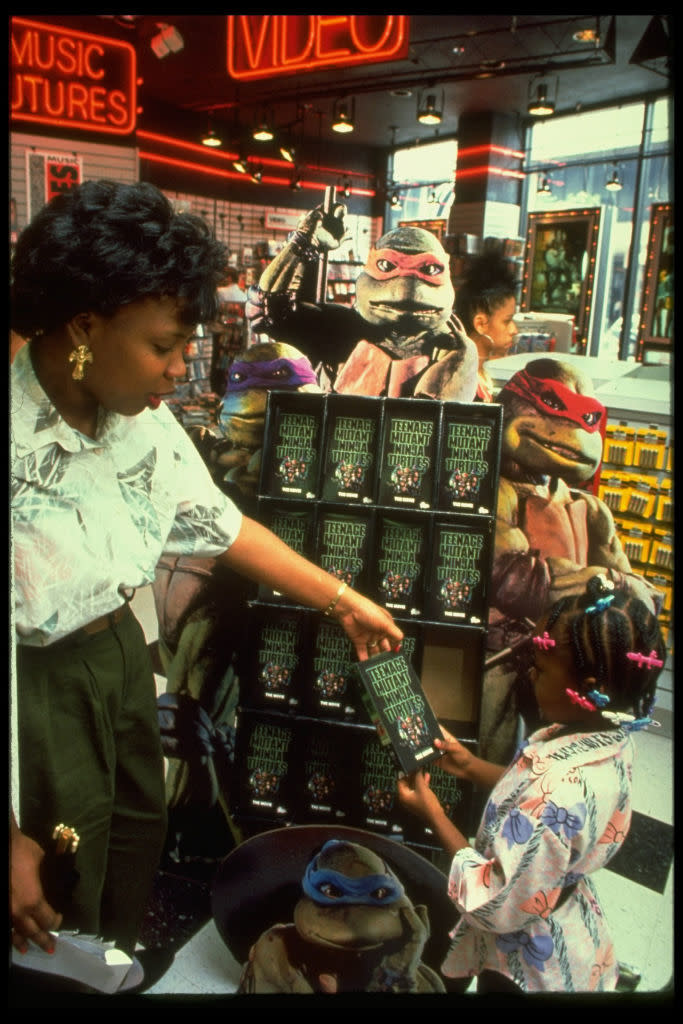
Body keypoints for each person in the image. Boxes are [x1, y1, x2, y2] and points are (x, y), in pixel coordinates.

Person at [9, 179, 403, 992]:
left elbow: (220, 525)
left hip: (119, 658)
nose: (184, 366)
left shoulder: (140, 423)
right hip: (32, 698)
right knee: (44, 893)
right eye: (165, 345)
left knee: (127, 853)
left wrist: (342, 600)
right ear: (84, 326)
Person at [397, 573, 665, 994]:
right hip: (567, 922)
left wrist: (431, 812)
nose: (531, 676)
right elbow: (532, 789)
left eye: (540, 669)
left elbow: (495, 899)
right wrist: (470, 766)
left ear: (588, 690)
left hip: (526, 970)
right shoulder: (606, 739)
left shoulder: (564, 791)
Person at [454, 250, 519, 401]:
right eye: (507, 321)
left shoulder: (478, 374)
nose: (514, 330)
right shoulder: (464, 384)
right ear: (481, 324)